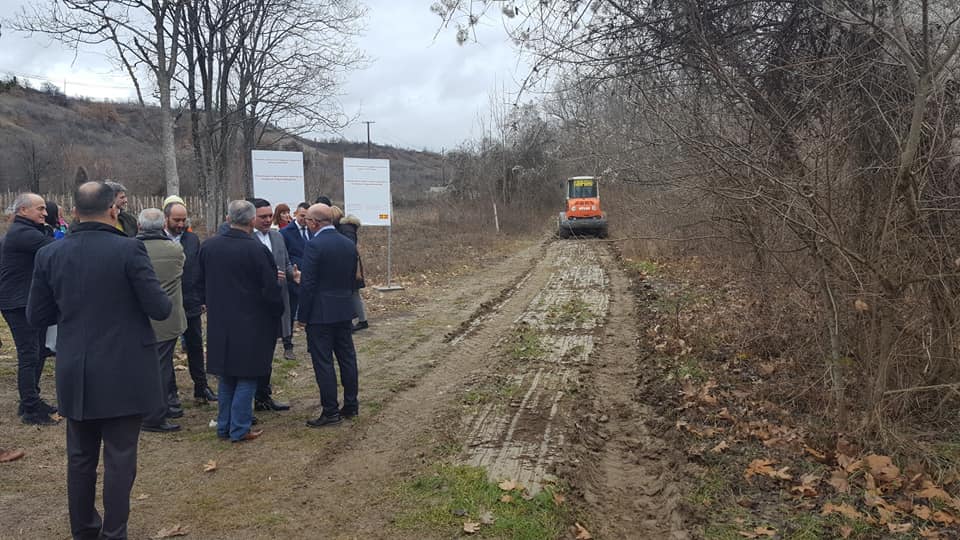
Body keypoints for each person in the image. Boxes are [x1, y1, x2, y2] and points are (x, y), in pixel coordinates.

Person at [27, 180, 172, 540]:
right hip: (125, 368)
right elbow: (159, 307)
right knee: (120, 457)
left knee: (79, 458)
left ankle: (84, 532)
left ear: (73, 211)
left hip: (75, 366)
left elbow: (36, 316)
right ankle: (114, 533)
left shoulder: (49, 254)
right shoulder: (130, 250)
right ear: (114, 210)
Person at [199, 200, 284, 442]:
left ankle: (224, 426)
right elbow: (270, 290)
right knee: (248, 376)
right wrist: (277, 311)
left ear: (228, 218)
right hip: (252, 323)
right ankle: (239, 428)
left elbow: (199, 281)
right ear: (250, 220)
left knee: (226, 376)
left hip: (219, 322)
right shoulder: (257, 250)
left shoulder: (209, 247)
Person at [298, 203, 360, 427]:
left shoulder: (314, 245)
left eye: (307, 221)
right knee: (347, 357)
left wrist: (302, 315)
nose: (307, 225)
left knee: (323, 362)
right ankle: (351, 405)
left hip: (320, 312)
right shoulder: (348, 243)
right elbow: (351, 278)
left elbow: (308, 283)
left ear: (314, 222)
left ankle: (330, 411)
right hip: (344, 308)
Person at [0, 192, 56, 424]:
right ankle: (31, 409)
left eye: (45, 209)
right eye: (40, 209)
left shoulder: (26, 231)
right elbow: (57, 250)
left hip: (26, 299)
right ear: (22, 211)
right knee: (29, 354)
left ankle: (30, 399)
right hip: (18, 302)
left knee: (38, 351)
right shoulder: (23, 234)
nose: (45, 213)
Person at [137, 208, 187, 433]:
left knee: (145, 366)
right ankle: (155, 414)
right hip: (167, 319)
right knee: (162, 367)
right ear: (163, 225)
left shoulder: (130, 249)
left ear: (139, 227)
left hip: (137, 318)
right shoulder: (175, 250)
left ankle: (152, 407)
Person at [164, 200, 217, 403]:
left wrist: (202, 297)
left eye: (183, 220)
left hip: (191, 300)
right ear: (166, 218)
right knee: (168, 349)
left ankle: (201, 387)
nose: (180, 224)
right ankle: (170, 392)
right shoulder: (158, 240)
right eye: (176, 220)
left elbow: (199, 269)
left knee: (195, 345)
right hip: (167, 303)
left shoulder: (192, 239)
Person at [250, 198, 300, 413]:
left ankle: (264, 396)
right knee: (253, 353)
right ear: (251, 217)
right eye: (262, 217)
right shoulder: (245, 239)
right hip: (253, 306)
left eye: (269, 216)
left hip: (277, 302)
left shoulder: (277, 236)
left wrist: (292, 274)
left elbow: (286, 262)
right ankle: (248, 397)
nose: (267, 220)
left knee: (269, 351)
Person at [336, 211, 369, 332]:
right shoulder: (349, 228)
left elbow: (350, 248)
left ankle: (356, 321)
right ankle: (361, 320)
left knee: (351, 294)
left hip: (351, 267)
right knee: (353, 294)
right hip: (353, 266)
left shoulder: (345, 229)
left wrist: (356, 271)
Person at [280, 202, 311, 320]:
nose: (304, 219)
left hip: (309, 277)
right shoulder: (285, 232)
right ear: (296, 214)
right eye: (302, 216)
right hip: (294, 278)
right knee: (291, 311)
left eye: (307, 217)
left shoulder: (313, 230)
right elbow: (283, 255)